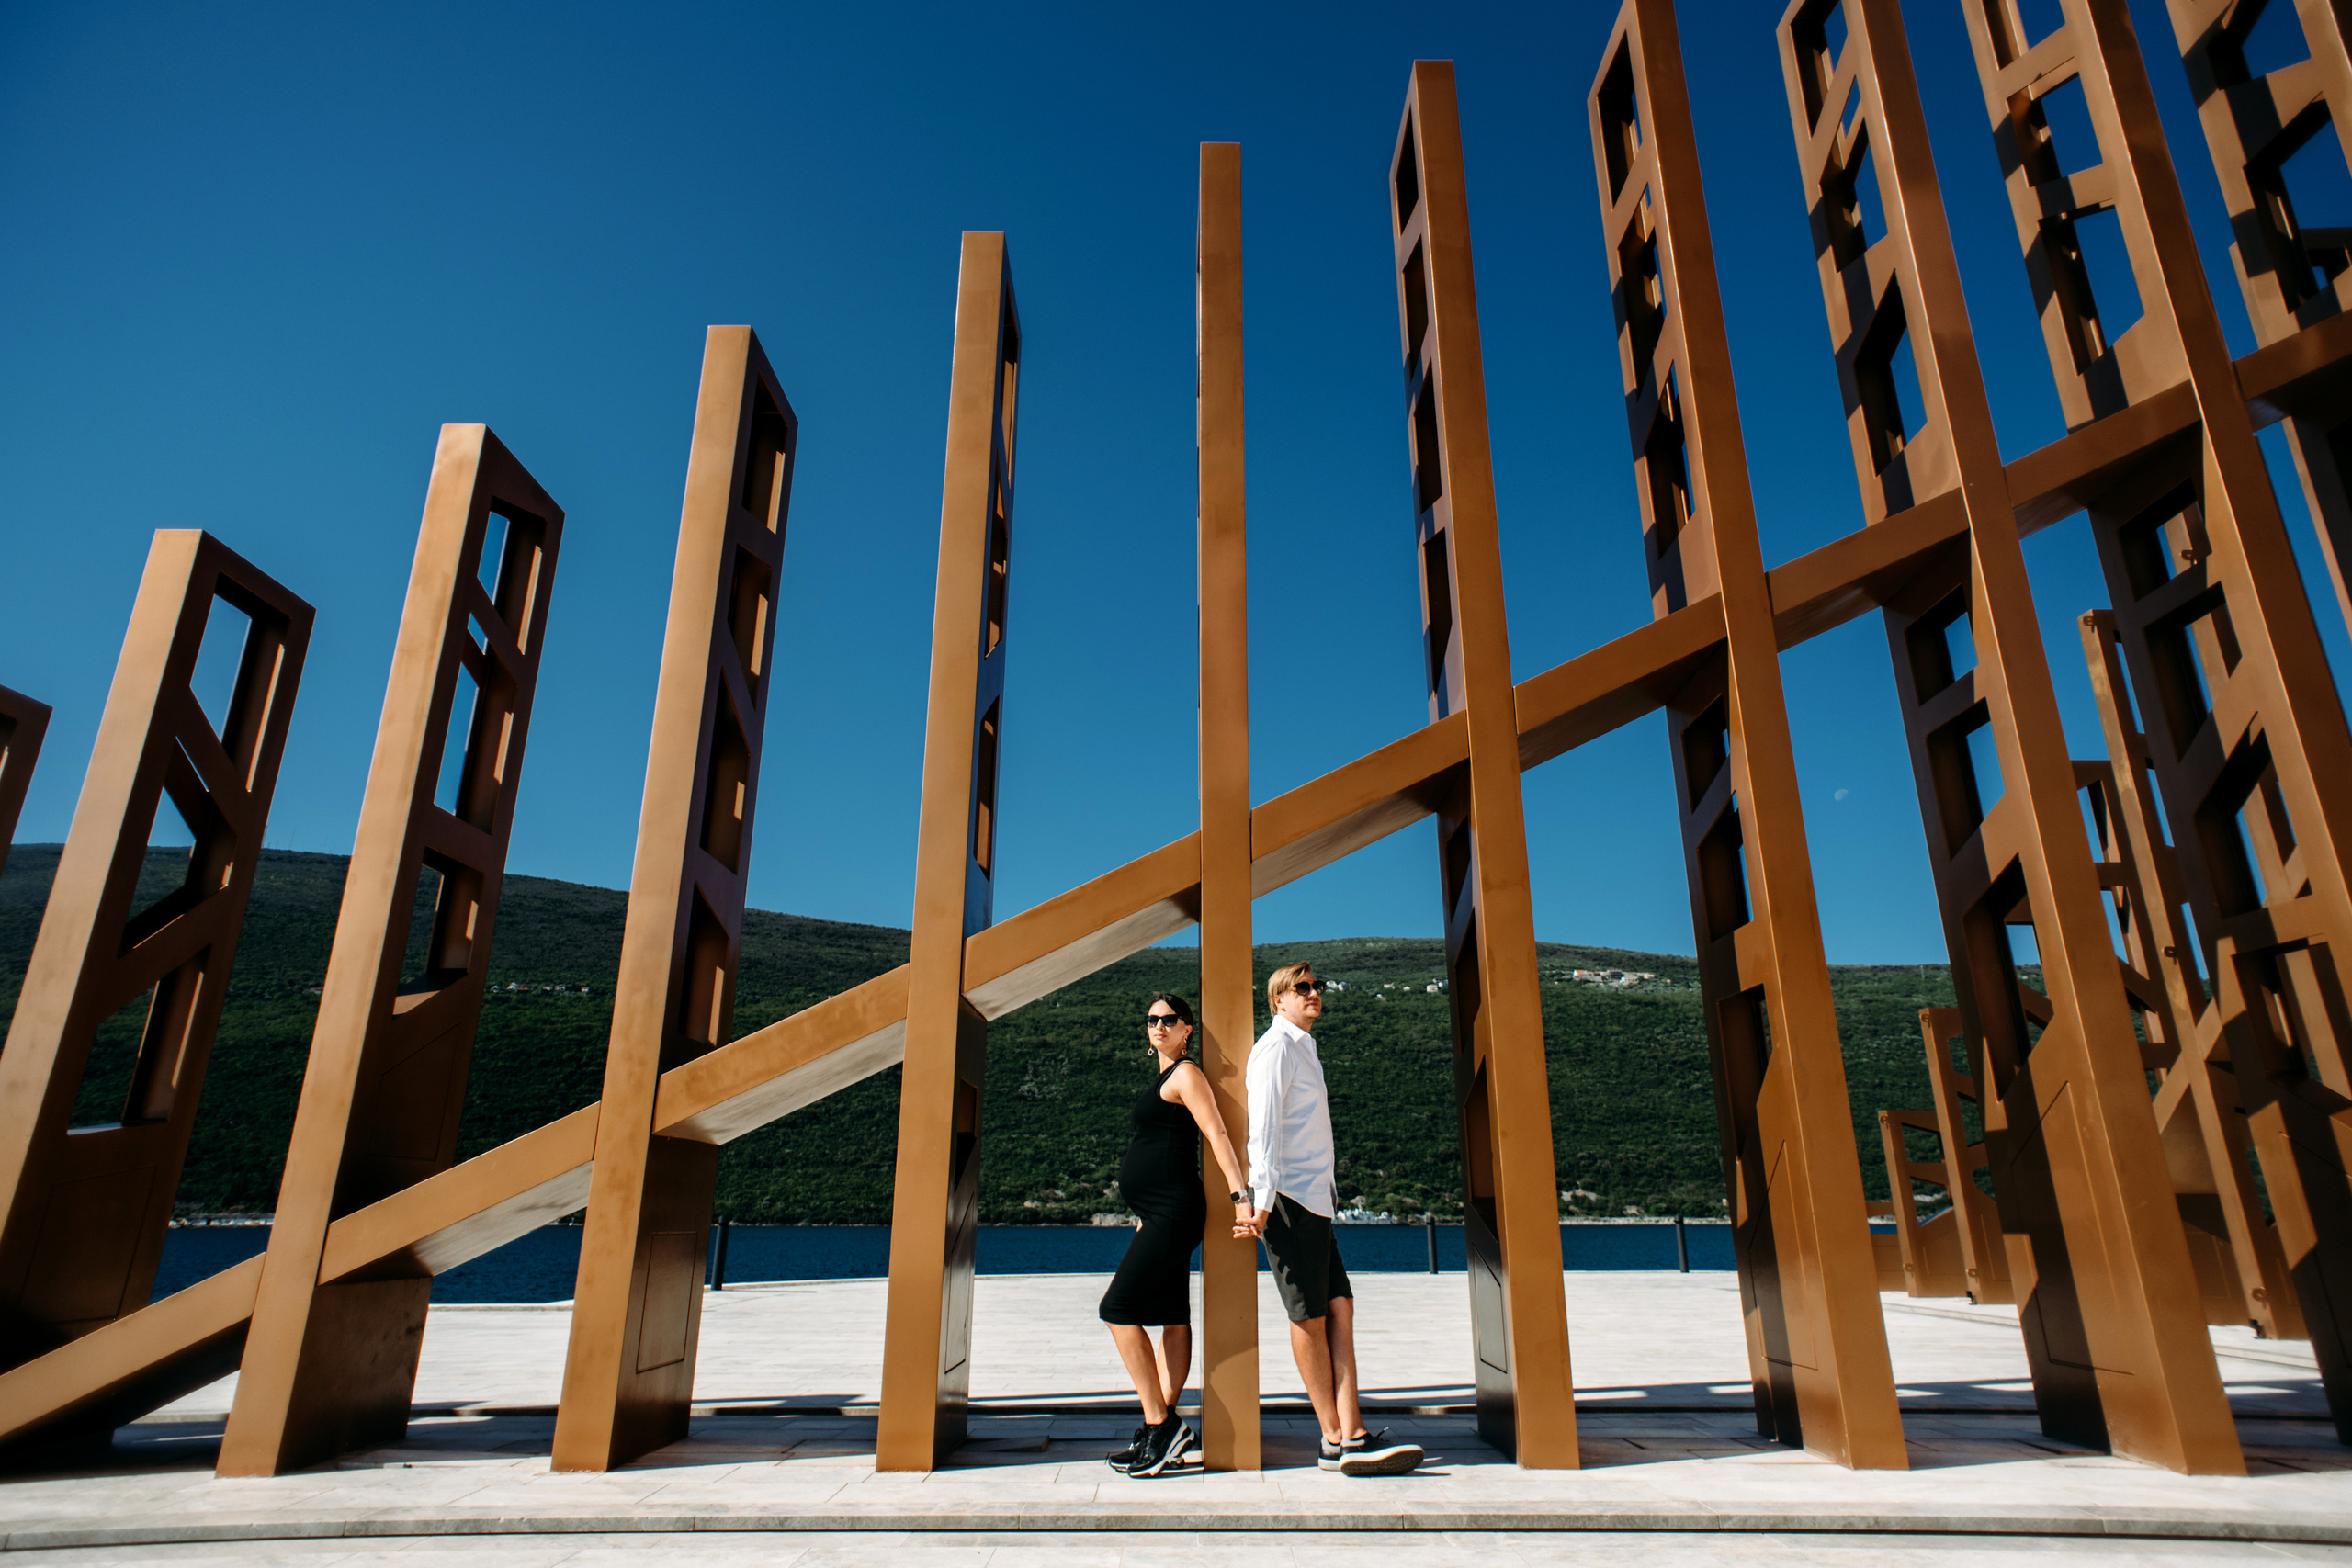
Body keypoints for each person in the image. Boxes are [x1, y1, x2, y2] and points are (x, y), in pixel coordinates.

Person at [1245, 962, 1423, 1476]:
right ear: (1278, 999)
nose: (1313, 993)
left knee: (1340, 1305)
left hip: (1315, 1201)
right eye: (1302, 988)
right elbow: (1264, 1126)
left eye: (1316, 986)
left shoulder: (1304, 1047)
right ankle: (1335, 1436)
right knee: (1309, 1315)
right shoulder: (1276, 1048)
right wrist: (1261, 1199)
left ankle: (1351, 1432)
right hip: (1287, 1200)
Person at [1098, 991, 1255, 1477]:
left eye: (1169, 1019)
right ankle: (1160, 1429)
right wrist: (1144, 1207)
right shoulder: (1164, 1076)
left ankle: (1160, 1422)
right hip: (1159, 1210)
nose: (1159, 1026)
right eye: (1151, 1020)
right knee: (1170, 1313)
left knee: (1117, 1308)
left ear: (1188, 1029)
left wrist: (1240, 1195)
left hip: (1175, 1210)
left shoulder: (1187, 1074)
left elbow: (1218, 1134)